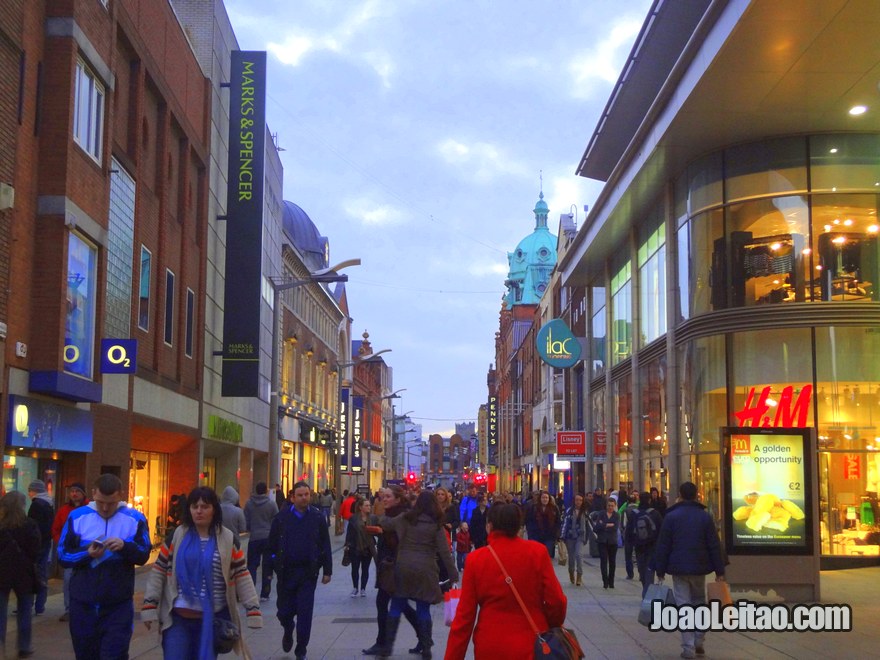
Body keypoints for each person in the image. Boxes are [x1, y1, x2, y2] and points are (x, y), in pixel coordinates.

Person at [142, 486, 263, 659]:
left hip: (212, 622)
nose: (199, 511)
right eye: (194, 506)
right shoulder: (178, 535)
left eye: (205, 507)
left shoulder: (227, 539)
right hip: (178, 619)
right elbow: (159, 571)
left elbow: (242, 575)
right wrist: (149, 607)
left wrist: (253, 610)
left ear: (214, 510)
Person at [444, 503, 567, 659]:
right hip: (532, 642)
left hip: (491, 644)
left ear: (489, 526)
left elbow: (464, 618)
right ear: (518, 526)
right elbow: (556, 600)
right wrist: (551, 623)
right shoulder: (537, 552)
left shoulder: (476, 559)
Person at [58, 473, 151, 659]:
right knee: (85, 654)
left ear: (121, 495)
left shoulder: (135, 519)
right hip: (82, 603)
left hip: (118, 604)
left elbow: (143, 555)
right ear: (93, 493)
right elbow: (62, 555)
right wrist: (86, 553)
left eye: (111, 503)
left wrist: (125, 547)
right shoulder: (77, 516)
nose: (106, 508)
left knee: (115, 654)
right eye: (100, 502)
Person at [374, 490, 459, 659]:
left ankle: (387, 647)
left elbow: (386, 524)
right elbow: (444, 552)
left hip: (403, 566)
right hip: (426, 569)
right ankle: (426, 647)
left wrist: (383, 513)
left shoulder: (406, 518)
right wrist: (453, 573)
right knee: (423, 607)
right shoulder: (435, 524)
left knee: (397, 605)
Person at [651, 481, 726, 659]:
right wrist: (719, 569)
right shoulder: (705, 516)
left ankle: (688, 647)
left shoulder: (671, 517)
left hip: (678, 568)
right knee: (699, 602)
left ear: (680, 495)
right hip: (699, 567)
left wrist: (659, 570)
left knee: (684, 604)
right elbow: (714, 545)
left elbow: (663, 545)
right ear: (696, 494)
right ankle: (699, 637)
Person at [268, 481, 332, 658]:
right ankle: (288, 629)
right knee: (283, 611)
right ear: (292, 497)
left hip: (307, 574)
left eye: (307, 495)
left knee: (305, 614)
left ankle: (301, 648)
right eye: (300, 495)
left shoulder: (317, 518)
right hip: (286, 573)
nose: (304, 498)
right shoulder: (281, 518)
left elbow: (325, 544)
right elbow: (271, 546)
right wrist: (270, 568)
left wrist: (327, 570)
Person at [361, 485, 420, 657]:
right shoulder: (391, 514)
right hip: (388, 565)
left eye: (388, 496)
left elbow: (401, 541)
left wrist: (383, 531)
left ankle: (382, 643)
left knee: (385, 603)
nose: (384, 499)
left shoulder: (401, 516)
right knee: (400, 604)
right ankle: (423, 637)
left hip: (395, 566)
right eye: (383, 496)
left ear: (398, 499)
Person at [0, 491, 41, 658]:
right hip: (24, 572)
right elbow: (35, 550)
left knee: (1, 611)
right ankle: (24, 645)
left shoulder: (1, 525)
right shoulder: (29, 524)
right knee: (24, 610)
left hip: (2, 572)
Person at [51, 482, 89, 622]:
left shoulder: (90, 509)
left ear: (83, 494)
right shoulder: (63, 510)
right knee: (68, 579)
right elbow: (55, 529)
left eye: (77, 491)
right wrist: (61, 543)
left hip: (87, 550)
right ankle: (69, 609)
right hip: (71, 551)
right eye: (72, 491)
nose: (74, 494)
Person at [243, 482, 278, 602]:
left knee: (252, 565)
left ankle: (251, 591)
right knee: (267, 566)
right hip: (268, 537)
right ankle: (265, 593)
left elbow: (245, 520)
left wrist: (250, 528)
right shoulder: (271, 504)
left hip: (254, 538)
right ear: (266, 491)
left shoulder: (249, 504)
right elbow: (276, 520)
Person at [626, 491, 663, 598]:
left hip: (638, 546)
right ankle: (647, 593)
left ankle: (645, 590)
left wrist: (629, 546)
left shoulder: (634, 513)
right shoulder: (655, 513)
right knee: (650, 571)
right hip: (652, 547)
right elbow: (661, 531)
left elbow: (629, 532)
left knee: (642, 570)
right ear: (649, 500)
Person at [26, 479, 54, 616]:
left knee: (32, 573)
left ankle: (28, 604)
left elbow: (33, 526)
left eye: (30, 490)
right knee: (41, 573)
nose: (29, 494)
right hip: (46, 542)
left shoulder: (36, 505)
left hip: (38, 544)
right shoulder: (48, 503)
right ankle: (40, 605)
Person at [345, 497, 377, 597]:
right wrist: (347, 544)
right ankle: (355, 588)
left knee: (365, 569)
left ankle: (363, 588)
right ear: (360, 507)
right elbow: (349, 533)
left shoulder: (372, 518)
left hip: (368, 547)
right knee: (355, 568)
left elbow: (379, 530)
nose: (369, 507)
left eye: (369, 505)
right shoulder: (353, 519)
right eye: (366, 505)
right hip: (355, 547)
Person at [560, 493, 589, 586]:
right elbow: (565, 523)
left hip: (580, 536)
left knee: (579, 555)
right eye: (577, 500)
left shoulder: (585, 512)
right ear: (574, 501)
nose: (578, 502)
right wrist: (562, 536)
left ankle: (579, 576)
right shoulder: (569, 511)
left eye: (580, 500)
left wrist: (586, 537)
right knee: (571, 558)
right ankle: (571, 573)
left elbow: (588, 526)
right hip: (570, 537)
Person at [594, 497, 620, 589]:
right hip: (602, 541)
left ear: (615, 506)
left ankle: (611, 581)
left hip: (613, 542)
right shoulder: (601, 514)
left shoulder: (617, 515)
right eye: (609, 505)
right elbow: (596, 527)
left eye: (612, 506)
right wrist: (607, 524)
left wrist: (603, 524)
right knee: (603, 562)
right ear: (606, 505)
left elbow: (615, 527)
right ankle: (605, 581)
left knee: (612, 562)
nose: (610, 507)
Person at [530, 491, 560, 558]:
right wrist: (532, 532)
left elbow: (558, 521)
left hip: (550, 535)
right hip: (537, 535)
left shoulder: (554, 508)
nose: (545, 499)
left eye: (546, 498)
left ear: (549, 499)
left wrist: (557, 533)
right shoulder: (534, 508)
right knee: (538, 554)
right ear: (540, 499)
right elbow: (530, 520)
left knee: (547, 553)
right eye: (543, 497)